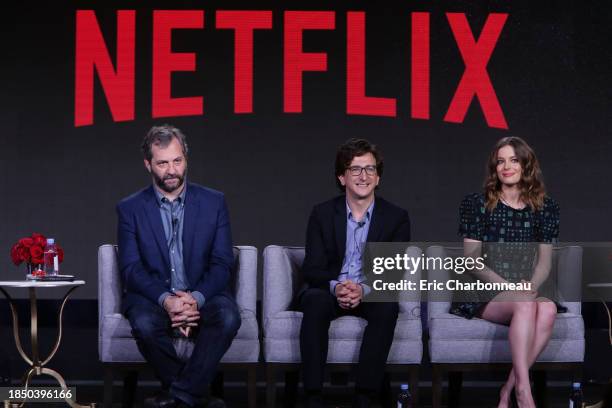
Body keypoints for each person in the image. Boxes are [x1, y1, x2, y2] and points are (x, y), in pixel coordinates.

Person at [116, 125, 240, 408]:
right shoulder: (130, 208)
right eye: (162, 163)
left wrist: (194, 300)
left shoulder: (214, 202)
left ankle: (179, 397)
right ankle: (198, 397)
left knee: (229, 317)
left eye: (177, 160)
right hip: (153, 296)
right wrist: (167, 301)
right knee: (145, 324)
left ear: (186, 159)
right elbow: (131, 269)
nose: (171, 170)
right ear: (148, 164)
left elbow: (222, 263)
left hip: (202, 293)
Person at [299, 138, 411, 408]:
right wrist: (338, 287)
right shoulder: (322, 214)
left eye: (370, 169)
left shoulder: (396, 217)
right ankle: (313, 395)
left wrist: (363, 290)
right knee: (313, 300)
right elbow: (312, 267)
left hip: (370, 292)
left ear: (378, 176)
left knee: (387, 308)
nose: (364, 176)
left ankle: (365, 395)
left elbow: (393, 273)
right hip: (331, 290)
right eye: (355, 169)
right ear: (342, 177)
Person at [452, 136, 562, 408]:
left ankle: (507, 390)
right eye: (500, 161)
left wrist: (528, 286)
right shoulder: (477, 203)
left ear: (527, 165)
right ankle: (524, 393)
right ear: (494, 168)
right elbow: (471, 260)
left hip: (524, 290)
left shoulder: (545, 208)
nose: (506, 166)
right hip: (485, 291)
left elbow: (544, 264)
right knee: (526, 305)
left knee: (547, 309)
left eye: (514, 160)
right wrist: (509, 288)